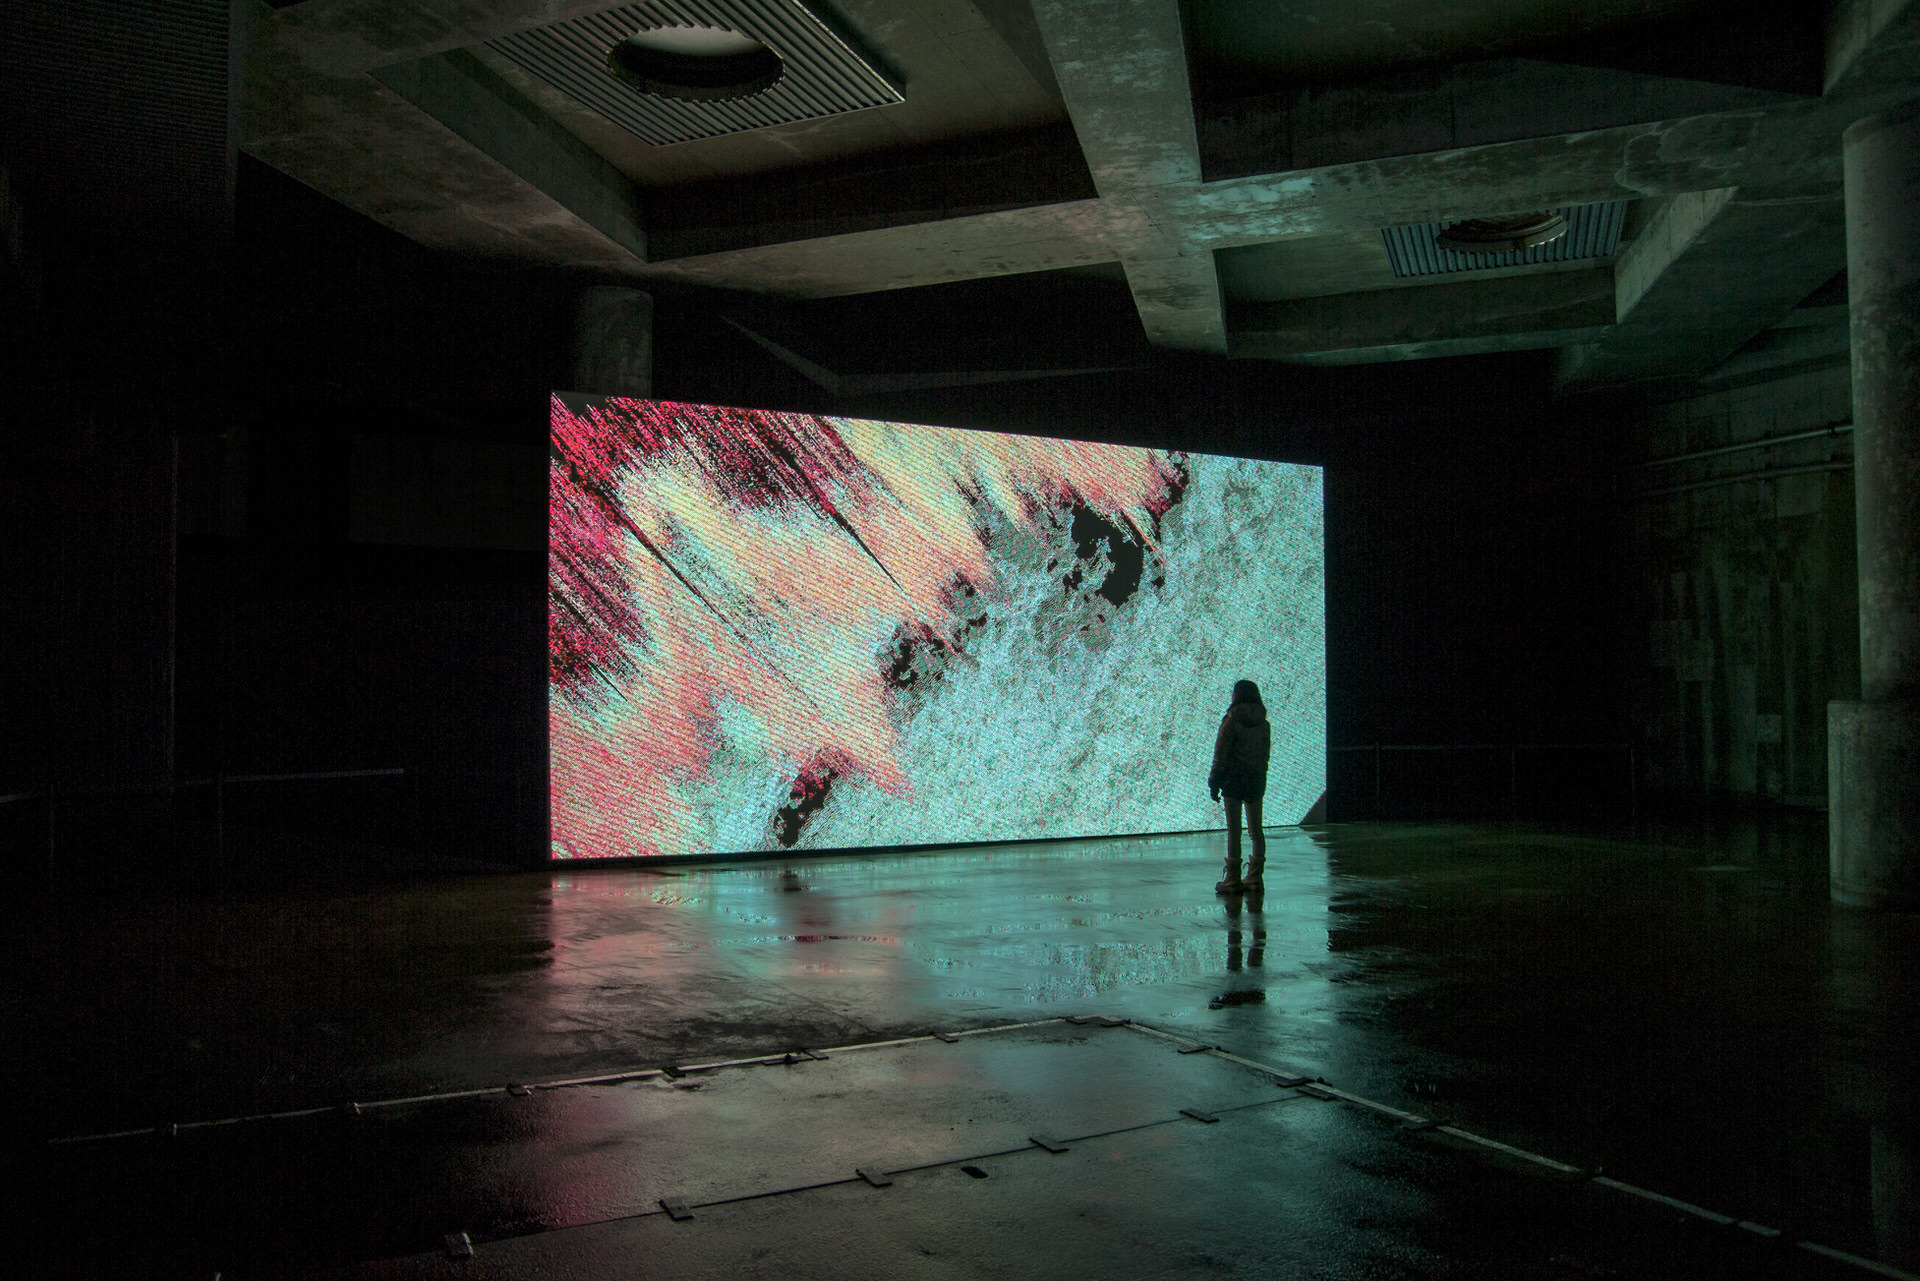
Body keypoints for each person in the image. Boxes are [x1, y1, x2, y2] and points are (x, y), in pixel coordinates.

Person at [1207, 678, 1271, 893]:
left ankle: (1232, 879)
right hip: (1256, 779)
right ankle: (1255, 877)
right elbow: (1265, 755)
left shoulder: (1231, 722)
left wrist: (1214, 783)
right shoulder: (1264, 723)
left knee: (1234, 831)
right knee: (1256, 831)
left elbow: (1221, 755)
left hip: (1234, 779)